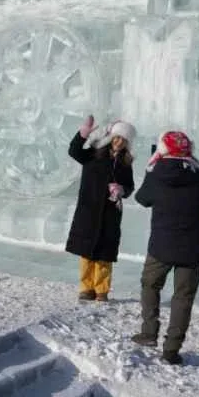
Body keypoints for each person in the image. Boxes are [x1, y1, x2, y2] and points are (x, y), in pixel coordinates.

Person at [131, 130, 199, 365]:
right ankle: (171, 351)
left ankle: (149, 332)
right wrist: (195, 163)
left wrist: (150, 168)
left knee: (150, 284)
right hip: (192, 247)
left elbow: (142, 199)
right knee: (183, 298)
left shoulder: (156, 174)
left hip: (161, 247)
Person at [65, 116, 136, 302]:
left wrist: (122, 190)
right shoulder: (93, 154)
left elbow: (129, 186)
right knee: (86, 253)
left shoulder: (125, 163)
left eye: (123, 140)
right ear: (111, 137)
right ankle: (86, 288)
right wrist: (82, 135)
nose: (119, 142)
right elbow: (74, 151)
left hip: (110, 213)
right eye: (117, 137)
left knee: (104, 255)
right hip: (88, 210)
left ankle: (102, 290)